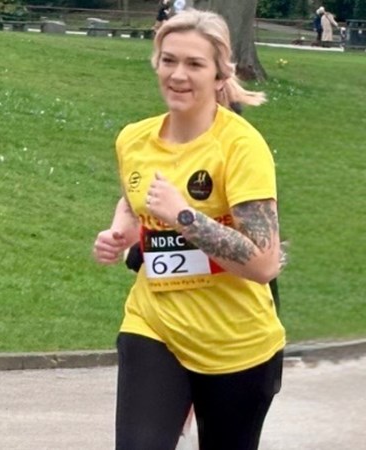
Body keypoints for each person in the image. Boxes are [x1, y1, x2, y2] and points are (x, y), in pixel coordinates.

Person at [92, 9, 284, 450]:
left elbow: (264, 262)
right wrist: (120, 231)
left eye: (194, 64)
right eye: (169, 60)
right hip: (155, 325)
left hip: (236, 344)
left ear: (220, 75)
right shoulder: (134, 139)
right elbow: (135, 199)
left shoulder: (241, 147)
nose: (178, 75)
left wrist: (185, 216)